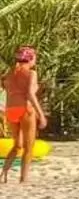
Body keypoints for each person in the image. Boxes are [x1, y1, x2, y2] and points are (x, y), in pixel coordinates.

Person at [4, 47, 44, 185]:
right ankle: (23, 179)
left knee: (17, 145)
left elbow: (10, 92)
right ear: (30, 59)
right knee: (28, 146)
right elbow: (30, 94)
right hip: (25, 109)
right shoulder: (31, 73)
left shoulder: (9, 73)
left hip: (10, 110)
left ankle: (3, 174)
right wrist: (41, 115)